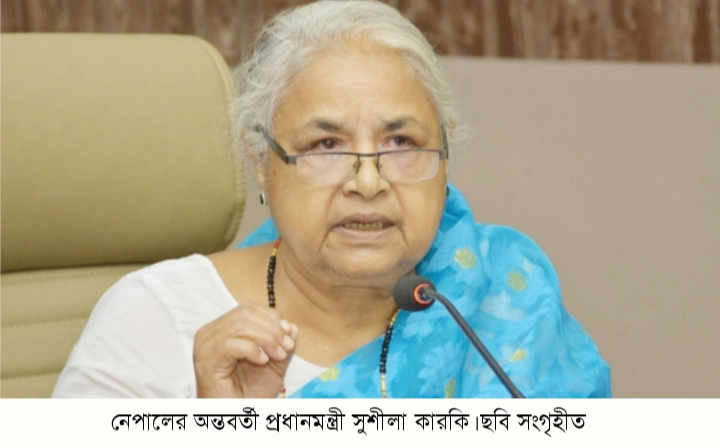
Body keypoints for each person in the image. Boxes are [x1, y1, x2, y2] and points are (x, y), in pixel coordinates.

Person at [53, 0, 610, 398]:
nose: (367, 182)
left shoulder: (502, 297)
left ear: (445, 159)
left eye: (400, 142)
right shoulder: (158, 319)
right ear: (262, 162)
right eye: (326, 145)